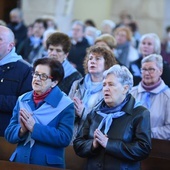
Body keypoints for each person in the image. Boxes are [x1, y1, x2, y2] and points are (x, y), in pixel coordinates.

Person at [73, 64, 151, 170]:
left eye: (111, 84)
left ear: (125, 89)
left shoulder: (140, 113)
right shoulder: (95, 112)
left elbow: (143, 149)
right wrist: (93, 144)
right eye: (104, 85)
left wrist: (109, 144)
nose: (106, 89)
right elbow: (78, 144)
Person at [5, 57, 75, 168]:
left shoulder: (65, 104)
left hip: (47, 165)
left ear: (54, 82)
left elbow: (64, 138)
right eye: (36, 74)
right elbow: (9, 133)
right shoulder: (22, 99)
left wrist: (34, 128)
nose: (37, 79)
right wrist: (22, 130)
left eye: (43, 76)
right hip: (19, 163)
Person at [69, 45, 117, 144]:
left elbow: (107, 118)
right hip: (72, 137)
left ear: (107, 64)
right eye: (90, 58)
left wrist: (83, 113)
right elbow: (66, 111)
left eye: (97, 59)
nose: (92, 61)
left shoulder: (109, 88)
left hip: (92, 141)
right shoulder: (78, 84)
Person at [0, 26, 32, 136]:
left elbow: (26, 103)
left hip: (6, 132)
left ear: (10, 46)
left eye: (0, 39)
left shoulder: (25, 69)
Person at [130, 54, 170, 140]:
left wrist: (145, 133)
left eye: (151, 69)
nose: (147, 73)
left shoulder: (168, 96)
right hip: (131, 144)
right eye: (144, 69)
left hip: (159, 147)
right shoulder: (131, 93)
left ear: (160, 71)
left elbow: (169, 129)